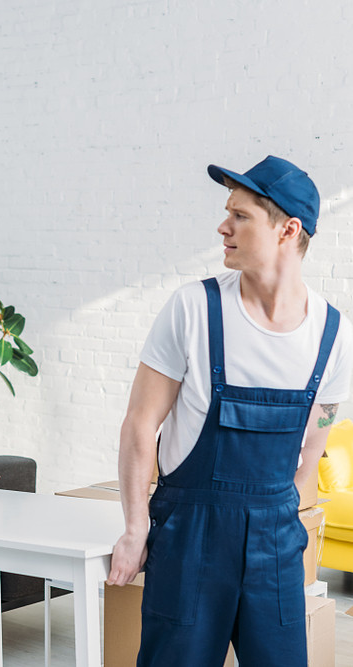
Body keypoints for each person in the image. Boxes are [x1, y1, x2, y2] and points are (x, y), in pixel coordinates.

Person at [107, 156, 353, 666]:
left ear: (289, 229)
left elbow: (312, 451)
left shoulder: (333, 336)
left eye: (240, 216)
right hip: (189, 538)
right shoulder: (192, 310)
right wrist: (135, 528)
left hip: (276, 542)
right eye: (227, 213)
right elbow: (139, 425)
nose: (223, 226)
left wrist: (289, 532)